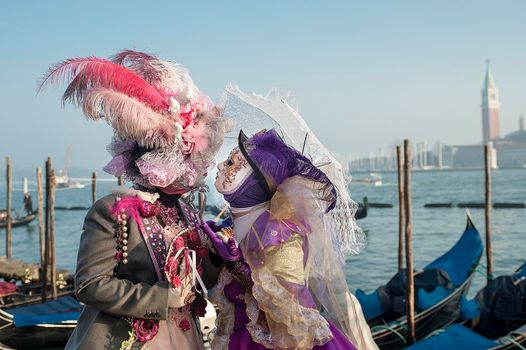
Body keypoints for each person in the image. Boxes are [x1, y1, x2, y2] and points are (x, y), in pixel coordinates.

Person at [40, 50, 231, 350]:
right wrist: (160, 298)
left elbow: (196, 280)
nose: (204, 168)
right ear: (167, 159)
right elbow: (90, 285)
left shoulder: (187, 210)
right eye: (197, 159)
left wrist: (217, 258)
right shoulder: (112, 212)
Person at [202, 129, 378, 350]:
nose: (220, 166)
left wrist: (237, 264)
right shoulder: (230, 227)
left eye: (230, 163)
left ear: (255, 182)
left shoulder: (280, 233)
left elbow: (289, 310)